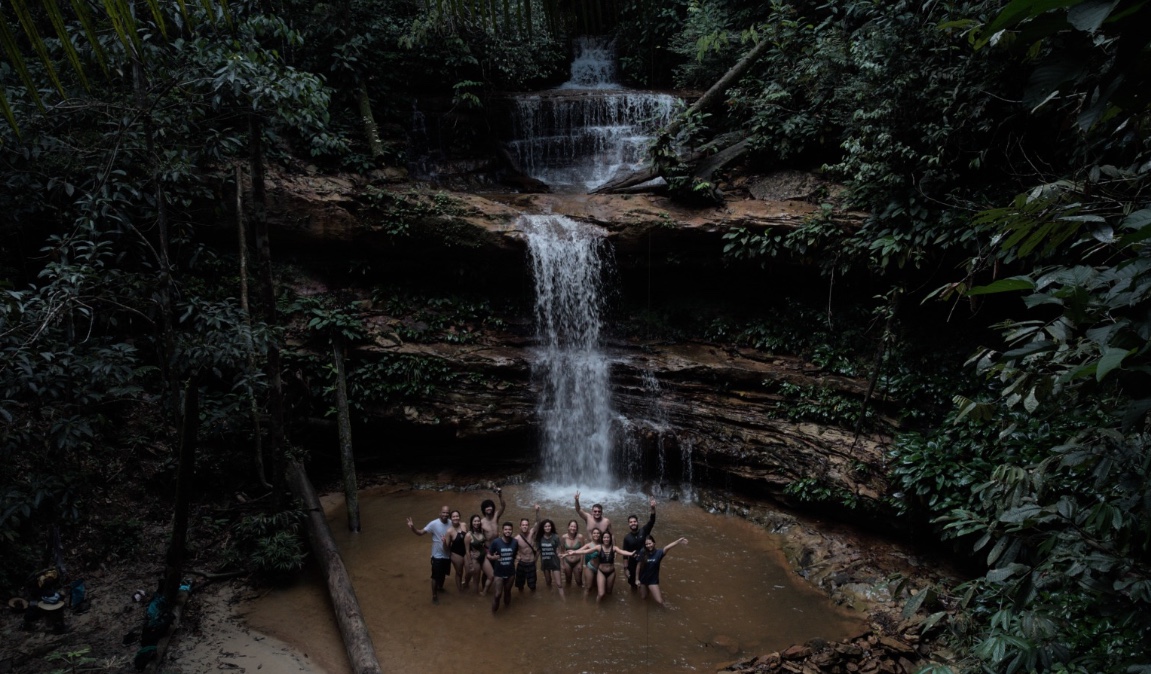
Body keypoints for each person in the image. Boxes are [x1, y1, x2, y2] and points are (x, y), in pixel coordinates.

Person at [565, 530, 635, 603]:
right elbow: (585, 551)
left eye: (608, 537)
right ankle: (596, 608)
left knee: (609, 592)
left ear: (610, 539)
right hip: (601, 571)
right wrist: (574, 552)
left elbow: (622, 552)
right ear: (602, 538)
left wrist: (631, 553)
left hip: (611, 572)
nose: (606, 539)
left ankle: (607, 608)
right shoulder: (599, 547)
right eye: (604, 537)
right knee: (601, 593)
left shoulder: (614, 548)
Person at [406, 505, 453, 604]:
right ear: (440, 513)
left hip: (447, 554)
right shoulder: (434, 524)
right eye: (443, 512)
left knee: (443, 574)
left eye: (447, 513)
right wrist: (413, 528)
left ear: (449, 513)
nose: (445, 514)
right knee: (435, 576)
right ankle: (434, 595)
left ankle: (440, 588)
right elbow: (421, 532)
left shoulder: (451, 523)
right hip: (437, 555)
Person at [636, 535, 688, 607]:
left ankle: (668, 611)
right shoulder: (643, 552)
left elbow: (667, 547)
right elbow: (638, 565)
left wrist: (678, 541)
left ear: (654, 543)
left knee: (660, 601)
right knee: (644, 598)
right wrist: (636, 579)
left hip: (652, 580)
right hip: (643, 579)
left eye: (650, 543)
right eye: (646, 544)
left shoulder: (659, 553)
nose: (648, 546)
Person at [623, 498, 657, 590]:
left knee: (646, 584)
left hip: (645, 561)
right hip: (632, 563)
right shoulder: (627, 538)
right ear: (628, 524)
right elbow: (625, 555)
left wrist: (653, 508)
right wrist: (625, 569)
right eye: (631, 522)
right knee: (633, 585)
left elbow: (652, 521)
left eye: (634, 521)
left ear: (637, 522)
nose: (633, 523)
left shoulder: (644, 531)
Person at [486, 522, 519, 613]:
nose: (508, 531)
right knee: (497, 594)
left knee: (508, 592)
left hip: (510, 572)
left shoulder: (515, 542)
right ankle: (493, 614)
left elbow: (515, 554)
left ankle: (507, 611)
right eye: (506, 529)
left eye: (509, 529)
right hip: (499, 573)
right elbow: (488, 555)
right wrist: (493, 557)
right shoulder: (496, 542)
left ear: (512, 530)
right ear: (502, 530)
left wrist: (517, 559)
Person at [513, 505, 541, 594]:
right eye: (523, 525)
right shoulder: (516, 539)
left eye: (526, 525)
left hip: (531, 563)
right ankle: (521, 600)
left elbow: (538, 522)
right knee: (520, 585)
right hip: (522, 563)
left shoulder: (532, 533)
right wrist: (517, 558)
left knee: (532, 585)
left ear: (528, 526)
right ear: (520, 526)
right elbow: (512, 552)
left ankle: (533, 601)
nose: (525, 526)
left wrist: (537, 511)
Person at [536, 518, 564, 599]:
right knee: (548, 582)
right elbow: (538, 551)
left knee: (559, 584)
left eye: (549, 526)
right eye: (546, 526)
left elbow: (558, 551)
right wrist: (534, 562)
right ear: (543, 528)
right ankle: (550, 597)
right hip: (545, 562)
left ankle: (564, 601)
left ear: (551, 527)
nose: (548, 528)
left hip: (555, 562)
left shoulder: (555, 537)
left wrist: (562, 564)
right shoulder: (540, 538)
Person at [463, 514, 489, 594]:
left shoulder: (481, 532)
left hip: (483, 557)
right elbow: (467, 551)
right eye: (475, 521)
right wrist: (470, 564)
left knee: (488, 575)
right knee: (476, 579)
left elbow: (484, 544)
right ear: (471, 522)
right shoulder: (468, 535)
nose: (476, 523)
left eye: (478, 521)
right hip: (474, 559)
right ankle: (474, 598)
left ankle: (466, 584)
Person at [443, 510, 468, 592]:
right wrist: (444, 543)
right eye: (453, 516)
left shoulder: (464, 525)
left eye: (457, 516)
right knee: (459, 572)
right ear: (451, 518)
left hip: (466, 551)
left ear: (460, 517)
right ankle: (460, 589)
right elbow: (446, 547)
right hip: (456, 553)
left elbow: (469, 537)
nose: (455, 518)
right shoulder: (449, 531)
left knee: (470, 570)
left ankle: (466, 583)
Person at [560, 519, 584, 589]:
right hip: (567, 562)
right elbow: (562, 551)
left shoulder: (580, 537)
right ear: (568, 527)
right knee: (568, 581)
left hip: (577, 562)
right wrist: (562, 564)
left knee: (579, 582)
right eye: (571, 526)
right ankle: (569, 597)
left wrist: (581, 564)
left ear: (576, 528)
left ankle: (580, 597)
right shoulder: (564, 537)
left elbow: (583, 551)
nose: (573, 528)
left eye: (575, 527)